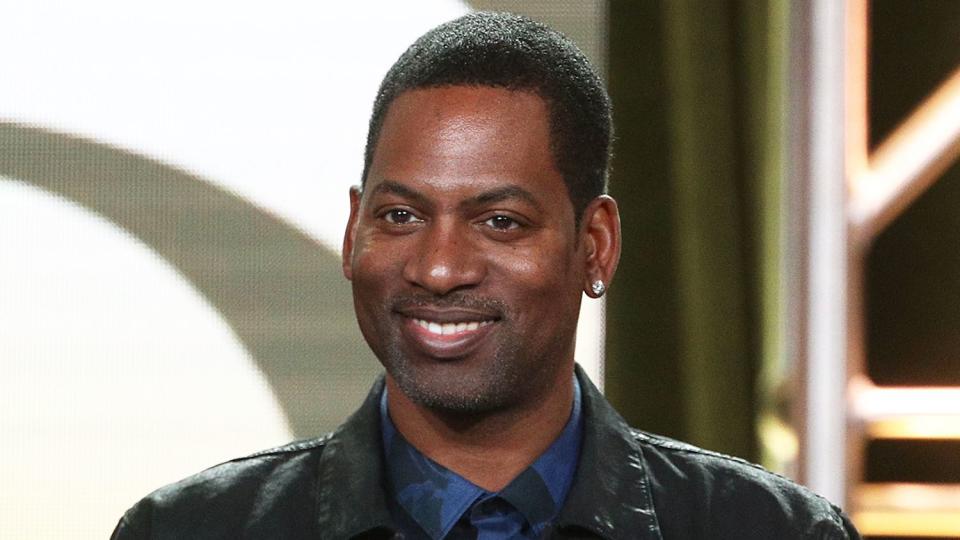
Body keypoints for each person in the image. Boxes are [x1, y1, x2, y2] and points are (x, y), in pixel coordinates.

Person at [112, 12, 861, 539]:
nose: (439, 268)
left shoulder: (769, 532)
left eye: (499, 222)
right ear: (352, 231)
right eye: (401, 216)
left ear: (595, 245)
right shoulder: (186, 531)